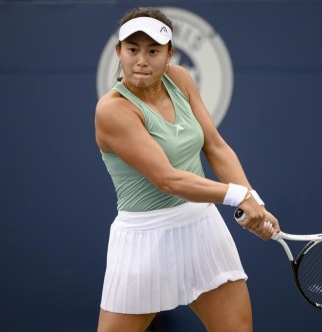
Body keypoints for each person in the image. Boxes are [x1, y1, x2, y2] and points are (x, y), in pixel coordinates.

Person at [95, 7, 280, 332]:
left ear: (169, 54)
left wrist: (255, 200)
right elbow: (167, 179)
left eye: (153, 51)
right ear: (118, 52)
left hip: (201, 227)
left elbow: (215, 146)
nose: (141, 60)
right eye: (133, 49)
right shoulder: (112, 110)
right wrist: (238, 195)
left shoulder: (179, 78)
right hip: (143, 239)